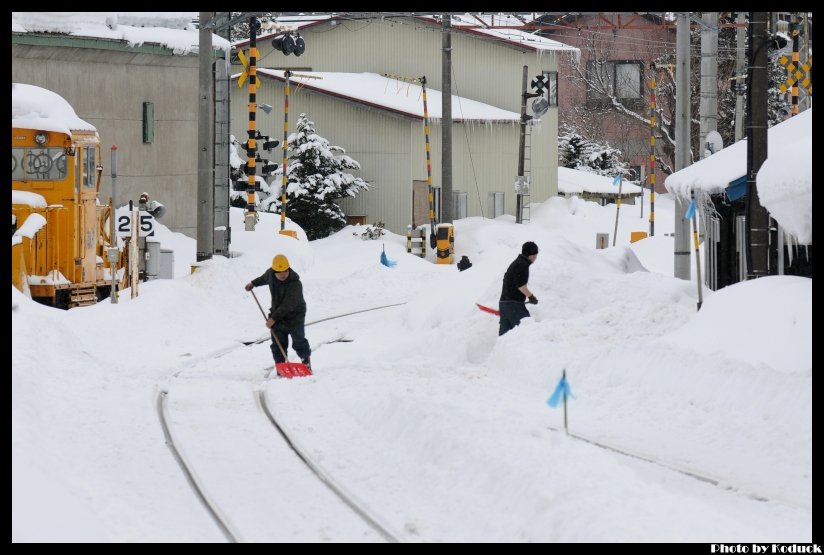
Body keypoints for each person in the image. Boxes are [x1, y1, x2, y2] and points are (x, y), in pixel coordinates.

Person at [245, 254, 311, 369]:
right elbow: (263, 278)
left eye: (285, 272)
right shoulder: (270, 274)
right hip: (278, 314)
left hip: (295, 315)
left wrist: (273, 318)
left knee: (298, 341)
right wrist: (253, 283)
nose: (282, 275)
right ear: (274, 271)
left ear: (288, 269)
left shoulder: (295, 284)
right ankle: (281, 367)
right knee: (278, 343)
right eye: (279, 272)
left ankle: (306, 362)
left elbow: (288, 305)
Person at [498, 241, 539, 336]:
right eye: (535, 255)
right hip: (514, 305)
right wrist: (531, 297)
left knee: (505, 337)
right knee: (527, 331)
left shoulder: (517, 262)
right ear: (530, 255)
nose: (536, 258)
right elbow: (521, 285)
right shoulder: (522, 264)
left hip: (504, 304)